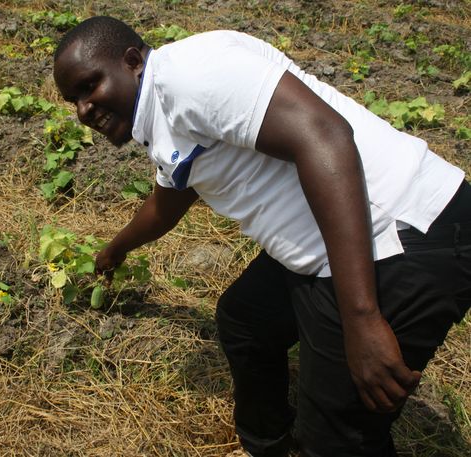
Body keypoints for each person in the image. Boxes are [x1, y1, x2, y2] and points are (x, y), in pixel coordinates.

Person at [53, 16, 471, 457]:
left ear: (133, 60)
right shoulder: (161, 112)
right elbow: (167, 202)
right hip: (333, 240)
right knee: (246, 320)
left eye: (89, 86)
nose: (83, 109)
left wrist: (362, 318)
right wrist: (113, 251)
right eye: (72, 100)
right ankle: (269, 445)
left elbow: (325, 138)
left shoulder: (189, 78)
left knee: (336, 440)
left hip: (404, 232)